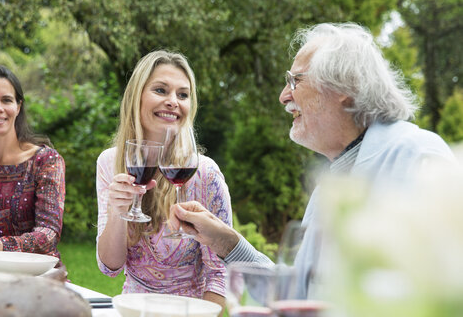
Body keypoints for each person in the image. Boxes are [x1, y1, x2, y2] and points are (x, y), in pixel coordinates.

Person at [169, 23, 457, 299]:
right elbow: (301, 296)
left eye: (295, 81)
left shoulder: (418, 156)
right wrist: (226, 243)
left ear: (347, 85)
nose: (283, 97)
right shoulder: (330, 186)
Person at [96, 50, 231, 309]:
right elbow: (109, 267)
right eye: (161, 90)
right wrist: (117, 211)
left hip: (189, 312)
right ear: (137, 96)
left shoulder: (204, 173)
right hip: (131, 310)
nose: (173, 101)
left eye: (182, 95)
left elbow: (221, 274)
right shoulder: (110, 162)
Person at [0, 65, 66, 262]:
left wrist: (3, 245)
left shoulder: (45, 161)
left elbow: (49, 234)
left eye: (6, 100)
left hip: (36, 278)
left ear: (18, 106)